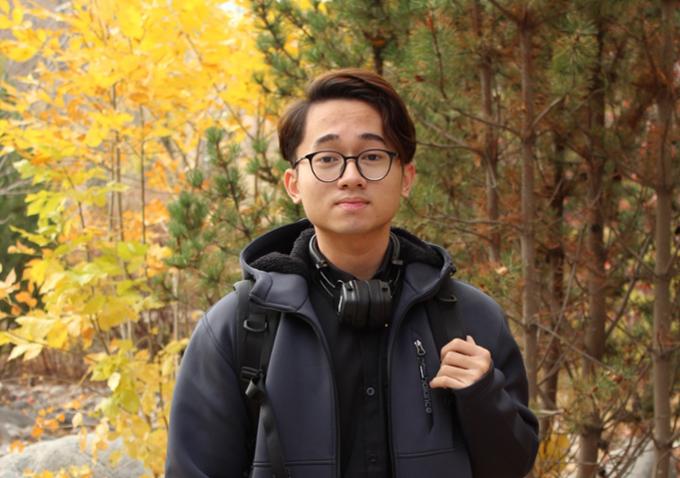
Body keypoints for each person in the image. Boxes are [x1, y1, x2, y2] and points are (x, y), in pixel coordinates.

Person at [165, 69, 539, 478]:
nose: (351, 177)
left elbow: (513, 467)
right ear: (294, 183)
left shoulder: (469, 318)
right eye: (326, 158)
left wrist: (483, 397)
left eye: (373, 156)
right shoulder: (238, 328)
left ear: (407, 178)